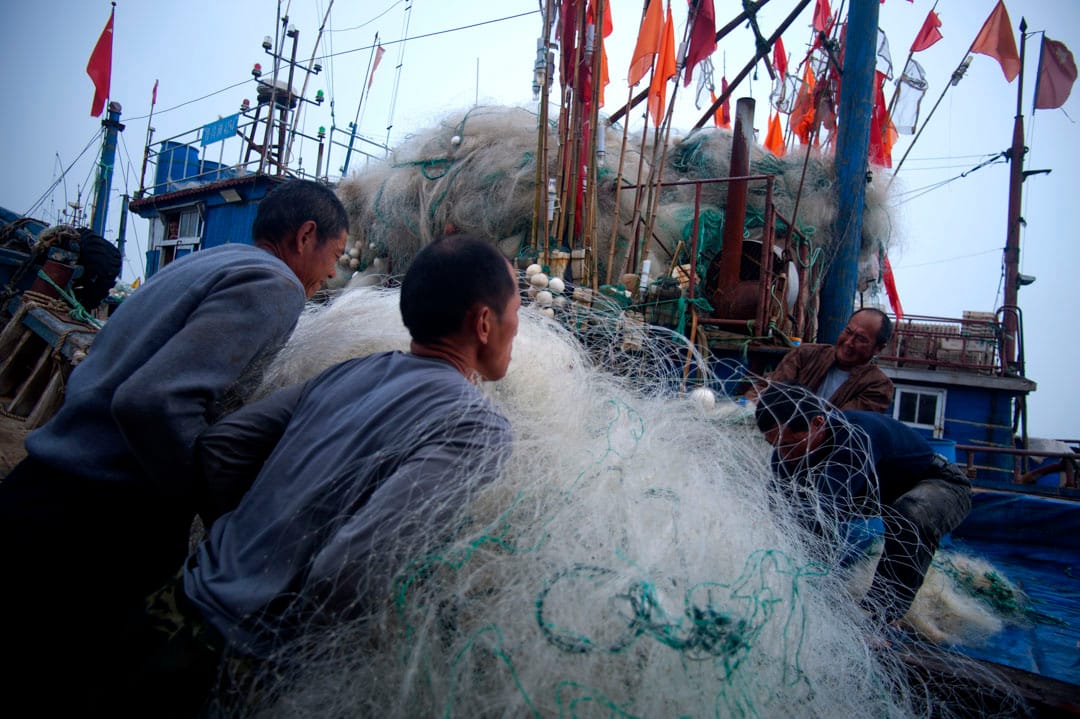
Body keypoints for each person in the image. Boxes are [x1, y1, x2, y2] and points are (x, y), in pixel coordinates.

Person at [126, 234, 520, 713]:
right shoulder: (477, 426)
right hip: (237, 670)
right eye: (515, 313)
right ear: (484, 322)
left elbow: (222, 448)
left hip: (171, 606)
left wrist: (245, 545)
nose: (516, 329)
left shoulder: (351, 371)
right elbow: (351, 569)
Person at [0, 178, 348, 712]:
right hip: (94, 524)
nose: (330, 276)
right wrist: (220, 509)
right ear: (306, 236)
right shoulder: (274, 285)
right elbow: (153, 402)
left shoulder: (206, 261)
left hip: (42, 485)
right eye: (336, 255)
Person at [754, 383, 971, 627]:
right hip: (880, 496)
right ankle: (813, 594)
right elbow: (783, 512)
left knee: (910, 515)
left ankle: (880, 617)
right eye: (776, 446)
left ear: (817, 423)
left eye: (790, 444)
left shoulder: (855, 436)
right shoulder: (785, 457)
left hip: (939, 484)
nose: (784, 455)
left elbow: (823, 507)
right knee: (797, 517)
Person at [750, 308, 895, 413]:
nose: (849, 342)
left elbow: (843, 424)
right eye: (848, 332)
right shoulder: (806, 354)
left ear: (878, 348)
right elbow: (773, 390)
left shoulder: (878, 386)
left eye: (861, 339)